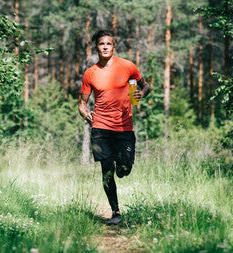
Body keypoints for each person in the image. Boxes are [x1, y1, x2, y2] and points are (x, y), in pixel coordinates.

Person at [78, 30, 151, 225]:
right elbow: (82, 103)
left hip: (125, 127)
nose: (105, 47)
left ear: (113, 47)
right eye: (101, 44)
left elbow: (146, 86)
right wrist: (86, 114)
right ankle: (115, 211)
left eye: (108, 44)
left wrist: (141, 95)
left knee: (124, 168)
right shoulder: (90, 73)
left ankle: (123, 167)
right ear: (97, 47)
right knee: (107, 170)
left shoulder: (128, 66)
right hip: (101, 128)